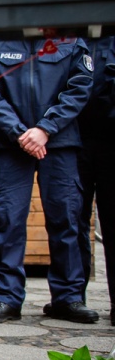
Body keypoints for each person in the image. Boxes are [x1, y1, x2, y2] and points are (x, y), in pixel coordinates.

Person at [0, 35, 97, 324]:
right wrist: (19, 132)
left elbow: (79, 88)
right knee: (7, 219)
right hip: (11, 143)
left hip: (60, 141)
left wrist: (45, 128)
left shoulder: (72, 44)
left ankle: (68, 298)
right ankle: (7, 298)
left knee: (66, 217)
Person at [75, 35, 115, 324]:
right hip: (73, 138)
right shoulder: (73, 39)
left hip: (111, 139)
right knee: (73, 221)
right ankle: (73, 298)